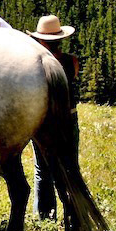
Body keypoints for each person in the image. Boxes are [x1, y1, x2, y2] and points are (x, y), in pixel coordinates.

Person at [26, 14, 81, 219]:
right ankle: (73, 213)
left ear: (40, 40)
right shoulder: (71, 61)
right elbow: (72, 79)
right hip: (68, 117)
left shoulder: (35, 65)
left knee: (42, 169)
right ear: (60, 39)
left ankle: (44, 215)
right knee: (70, 166)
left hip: (42, 119)